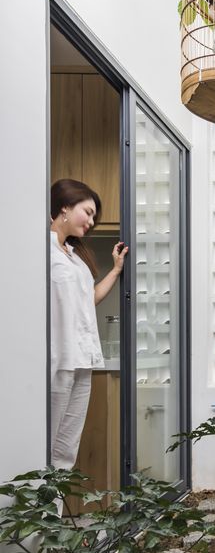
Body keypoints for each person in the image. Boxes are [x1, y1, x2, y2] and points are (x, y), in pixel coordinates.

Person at [49, 179, 128, 470]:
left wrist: (116, 270)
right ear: (65, 208)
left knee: (66, 450)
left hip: (82, 358)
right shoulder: (41, 251)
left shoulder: (74, 256)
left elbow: (88, 300)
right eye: (89, 212)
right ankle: (35, 513)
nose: (92, 221)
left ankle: (52, 515)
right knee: (45, 444)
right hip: (57, 359)